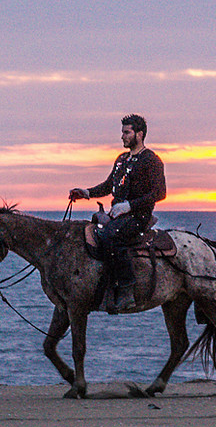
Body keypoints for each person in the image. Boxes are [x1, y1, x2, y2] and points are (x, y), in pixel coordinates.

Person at [69, 114, 166, 312]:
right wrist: (86, 193)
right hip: (117, 215)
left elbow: (160, 193)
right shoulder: (122, 159)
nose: (122, 136)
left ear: (139, 134)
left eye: (126, 132)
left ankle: (126, 290)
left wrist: (130, 206)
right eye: (122, 132)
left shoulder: (151, 160)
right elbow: (108, 185)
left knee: (110, 235)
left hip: (138, 217)